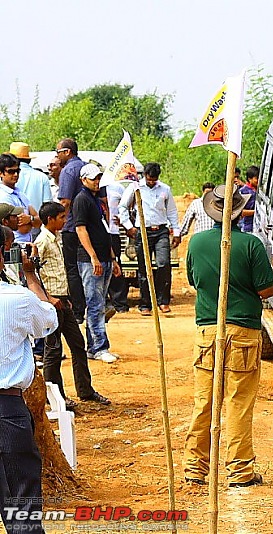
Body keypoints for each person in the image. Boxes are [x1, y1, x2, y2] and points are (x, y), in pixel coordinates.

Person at [184, 185, 273, 487]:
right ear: (238, 212)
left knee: (204, 403)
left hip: (208, 331)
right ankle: (239, 471)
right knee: (238, 402)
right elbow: (265, 289)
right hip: (244, 332)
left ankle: (195, 469)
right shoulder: (250, 244)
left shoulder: (196, 243)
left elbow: (195, 281)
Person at [0, 238, 58, 534]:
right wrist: (31, 274)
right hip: (6, 410)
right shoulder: (18, 298)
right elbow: (49, 320)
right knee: (21, 510)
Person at [36, 202, 112, 407]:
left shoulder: (57, 239)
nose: (64, 220)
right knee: (53, 350)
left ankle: (85, 390)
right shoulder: (42, 241)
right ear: (50, 219)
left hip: (62, 300)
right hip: (51, 301)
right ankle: (56, 398)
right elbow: (33, 274)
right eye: (61, 217)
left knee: (77, 345)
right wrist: (48, 299)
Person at [73, 164, 120, 363]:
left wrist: (111, 257)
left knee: (99, 303)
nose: (97, 181)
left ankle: (94, 346)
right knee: (94, 304)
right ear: (84, 180)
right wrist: (93, 257)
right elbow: (81, 229)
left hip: (103, 257)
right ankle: (99, 347)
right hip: (91, 260)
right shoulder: (82, 199)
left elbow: (103, 229)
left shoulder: (95, 200)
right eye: (93, 179)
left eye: (98, 178)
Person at [119, 162, 180, 315]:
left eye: (154, 179)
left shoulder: (165, 189)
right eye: (149, 178)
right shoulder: (135, 187)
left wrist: (177, 231)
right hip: (142, 232)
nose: (151, 181)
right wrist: (128, 226)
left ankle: (163, 301)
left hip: (161, 231)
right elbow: (123, 207)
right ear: (144, 175)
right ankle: (145, 303)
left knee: (163, 264)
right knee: (144, 268)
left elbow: (172, 211)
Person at [56, 138, 88, 323]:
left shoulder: (68, 170)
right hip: (88, 226)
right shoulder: (86, 167)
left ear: (67, 152)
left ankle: (78, 310)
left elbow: (65, 201)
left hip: (71, 227)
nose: (57, 155)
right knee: (87, 266)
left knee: (72, 268)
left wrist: (63, 221)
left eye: (58, 151)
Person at [0, 153, 42, 243]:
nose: (15, 174)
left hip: (27, 243)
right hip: (14, 244)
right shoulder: (3, 196)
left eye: (17, 171)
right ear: (1, 173)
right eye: (11, 171)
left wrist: (30, 219)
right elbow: (23, 229)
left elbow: (40, 221)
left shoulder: (20, 193)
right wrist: (32, 220)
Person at [9, 142, 53, 223]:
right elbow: (48, 207)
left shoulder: (6, 177)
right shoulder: (42, 177)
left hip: (11, 226)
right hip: (36, 223)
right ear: (28, 160)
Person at [105, 180, 129, 313]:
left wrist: (123, 219)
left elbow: (128, 205)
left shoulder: (118, 188)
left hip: (113, 232)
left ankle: (120, 303)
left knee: (116, 266)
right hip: (98, 232)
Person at [238, 166, 259, 232]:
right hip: (248, 227)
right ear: (249, 179)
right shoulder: (243, 192)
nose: (259, 180)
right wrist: (256, 212)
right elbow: (240, 212)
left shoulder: (260, 190)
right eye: (256, 178)